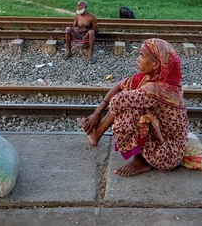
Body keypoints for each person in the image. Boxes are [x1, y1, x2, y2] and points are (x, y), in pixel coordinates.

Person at [79, 38, 188, 177]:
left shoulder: (156, 89)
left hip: (167, 154)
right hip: (170, 143)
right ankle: (97, 134)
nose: (138, 59)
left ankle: (141, 162)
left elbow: (117, 101)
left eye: (142, 55)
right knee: (129, 98)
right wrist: (98, 111)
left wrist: (98, 114)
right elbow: (120, 85)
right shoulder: (157, 78)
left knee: (128, 112)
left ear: (155, 65)